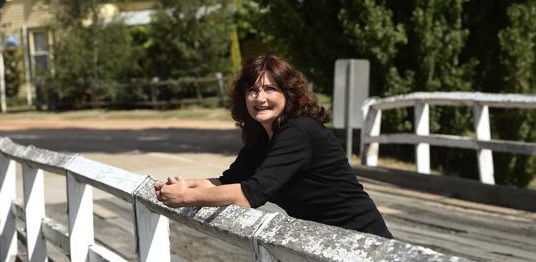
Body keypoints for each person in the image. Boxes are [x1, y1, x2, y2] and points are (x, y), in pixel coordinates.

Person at [154, 55, 392, 238]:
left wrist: (186, 197)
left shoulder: (298, 132)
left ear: (288, 94)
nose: (260, 98)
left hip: (362, 239)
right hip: (323, 238)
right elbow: (227, 182)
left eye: (270, 89)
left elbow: (250, 194)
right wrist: (183, 185)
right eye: (253, 90)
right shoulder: (263, 138)